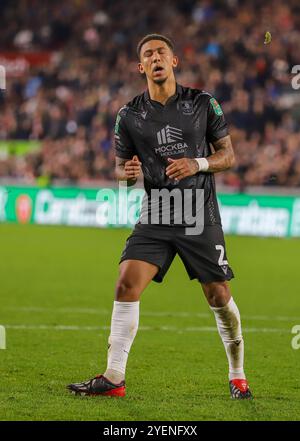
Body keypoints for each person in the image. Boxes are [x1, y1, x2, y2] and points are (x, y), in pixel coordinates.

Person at [67, 34, 252, 399]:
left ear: (174, 61)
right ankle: (114, 377)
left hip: (199, 214)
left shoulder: (202, 103)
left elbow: (228, 156)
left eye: (161, 52)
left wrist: (197, 163)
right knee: (126, 283)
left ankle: (237, 374)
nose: (155, 58)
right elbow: (120, 168)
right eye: (148, 54)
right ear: (141, 67)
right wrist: (128, 172)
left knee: (217, 295)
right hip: (156, 214)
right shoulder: (129, 115)